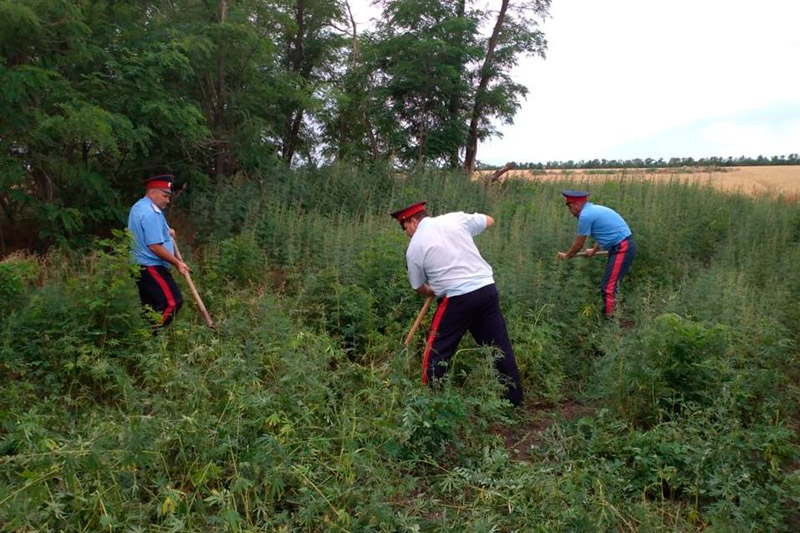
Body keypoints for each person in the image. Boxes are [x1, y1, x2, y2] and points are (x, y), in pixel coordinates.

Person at [391, 201, 523, 406]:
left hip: (457, 299)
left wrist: (430, 290)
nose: (406, 233)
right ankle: (513, 400)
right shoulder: (455, 218)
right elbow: (489, 221)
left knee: (436, 350)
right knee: (498, 346)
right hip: (486, 290)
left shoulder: (414, 247)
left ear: (413, 221)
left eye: (404, 227)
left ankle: (430, 402)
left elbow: (418, 287)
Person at [557, 190, 636, 318]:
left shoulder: (585, 216)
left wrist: (567, 255)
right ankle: (613, 315)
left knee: (608, 287)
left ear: (577, 204)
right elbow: (604, 233)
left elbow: (579, 243)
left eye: (570, 208)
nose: (570, 212)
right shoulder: (593, 210)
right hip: (620, 246)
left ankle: (611, 322)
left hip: (622, 248)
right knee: (610, 285)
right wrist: (593, 250)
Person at [127, 174, 189, 328]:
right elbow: (154, 246)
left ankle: (146, 343)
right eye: (165, 196)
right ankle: (150, 337)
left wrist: (168, 231)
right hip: (151, 266)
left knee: (151, 307)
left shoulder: (140, 207)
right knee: (172, 302)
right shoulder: (150, 213)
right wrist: (178, 263)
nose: (167, 200)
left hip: (140, 266)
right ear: (152, 191)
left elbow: (155, 231)